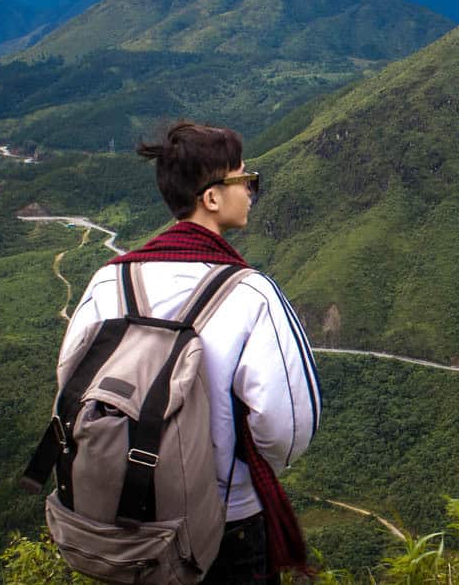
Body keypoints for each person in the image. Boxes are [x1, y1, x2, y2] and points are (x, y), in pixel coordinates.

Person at [62, 120, 321, 583]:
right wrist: (237, 475)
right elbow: (288, 427)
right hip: (228, 524)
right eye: (245, 179)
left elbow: (73, 386)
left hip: (131, 522)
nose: (252, 190)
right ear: (213, 197)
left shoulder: (110, 281)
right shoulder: (249, 294)